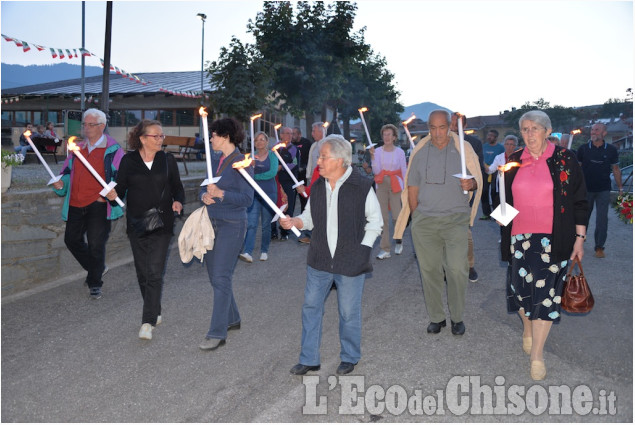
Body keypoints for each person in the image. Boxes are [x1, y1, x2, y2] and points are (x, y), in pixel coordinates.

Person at [280, 134, 382, 376]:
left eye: (323, 157)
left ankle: (349, 356)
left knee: (348, 312)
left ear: (340, 160)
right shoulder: (317, 186)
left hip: (350, 261)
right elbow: (309, 218)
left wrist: (363, 250)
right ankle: (309, 359)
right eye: (319, 157)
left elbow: (375, 223)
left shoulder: (362, 186)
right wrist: (295, 221)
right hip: (320, 259)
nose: (319, 162)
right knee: (311, 308)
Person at [500, 110, 588, 381]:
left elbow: (579, 201)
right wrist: (502, 230)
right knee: (522, 293)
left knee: (547, 297)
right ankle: (527, 328)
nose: (529, 134)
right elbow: (502, 202)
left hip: (554, 239)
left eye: (534, 128)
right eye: (524, 129)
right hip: (520, 238)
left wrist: (580, 239)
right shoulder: (513, 161)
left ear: (547, 131)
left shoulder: (565, 160)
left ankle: (537, 355)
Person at [394, 110, 482, 336]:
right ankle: (437, 317)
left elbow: (476, 182)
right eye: (432, 128)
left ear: (450, 126)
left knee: (457, 269)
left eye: (441, 127)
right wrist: (417, 218)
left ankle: (457, 317)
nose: (437, 132)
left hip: (455, 220)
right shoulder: (420, 153)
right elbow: (412, 188)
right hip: (426, 222)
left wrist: (470, 183)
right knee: (429, 271)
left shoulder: (463, 150)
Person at [106, 120, 184, 340]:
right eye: (156, 136)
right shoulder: (129, 160)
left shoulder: (167, 160)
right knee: (143, 273)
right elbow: (120, 189)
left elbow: (177, 187)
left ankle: (147, 322)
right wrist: (113, 195)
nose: (161, 139)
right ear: (142, 138)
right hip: (137, 223)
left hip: (163, 222)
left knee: (154, 272)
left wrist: (178, 201)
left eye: (162, 136)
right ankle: (155, 309)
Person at [52, 108, 125, 300]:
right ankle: (98, 268)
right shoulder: (77, 149)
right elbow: (66, 172)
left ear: (102, 126)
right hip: (76, 201)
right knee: (71, 240)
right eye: (85, 124)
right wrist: (61, 183)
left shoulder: (113, 149)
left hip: (99, 203)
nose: (86, 128)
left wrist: (110, 193)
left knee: (95, 243)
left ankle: (95, 283)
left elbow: (121, 177)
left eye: (91, 124)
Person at [198, 117, 254, 351]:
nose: (210, 138)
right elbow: (205, 185)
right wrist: (204, 195)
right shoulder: (214, 159)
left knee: (221, 277)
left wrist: (221, 194)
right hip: (211, 223)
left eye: (213, 135)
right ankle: (232, 318)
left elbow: (247, 199)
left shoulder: (242, 162)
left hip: (232, 224)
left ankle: (217, 332)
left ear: (226, 136)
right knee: (215, 277)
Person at [576, 123, 622, 258]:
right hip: (586, 189)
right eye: (592, 130)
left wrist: (620, 188)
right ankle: (578, 242)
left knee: (602, 220)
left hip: (603, 189)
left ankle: (599, 247)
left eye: (597, 130)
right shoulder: (583, 149)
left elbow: (616, 169)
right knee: (583, 217)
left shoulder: (611, 150)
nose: (593, 132)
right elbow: (577, 170)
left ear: (604, 133)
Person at [450, 113, 485, 282]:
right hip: (442, 195)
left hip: (464, 193)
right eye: (449, 123)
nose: (452, 127)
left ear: (463, 126)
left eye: (456, 123)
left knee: (465, 233)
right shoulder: (440, 142)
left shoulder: (473, 144)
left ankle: (470, 265)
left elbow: (479, 171)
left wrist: (472, 183)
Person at [239, 131, 278, 263]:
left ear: (267, 142)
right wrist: (250, 168)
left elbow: (272, 173)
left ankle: (264, 250)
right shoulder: (250, 156)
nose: (260, 142)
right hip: (254, 194)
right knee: (251, 223)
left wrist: (254, 176)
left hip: (269, 193)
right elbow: (244, 172)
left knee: (266, 224)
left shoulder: (272, 155)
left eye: (262, 139)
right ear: (254, 143)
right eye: (257, 140)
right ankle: (248, 252)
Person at [370, 124, 407, 259]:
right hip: (381, 184)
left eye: (389, 134)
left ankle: (398, 239)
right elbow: (376, 171)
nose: (386, 137)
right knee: (383, 218)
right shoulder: (377, 151)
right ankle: (385, 249)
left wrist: (406, 188)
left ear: (394, 137)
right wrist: (373, 158)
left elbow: (404, 170)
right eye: (384, 134)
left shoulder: (400, 152)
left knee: (397, 216)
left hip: (396, 183)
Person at [274, 127, 301, 241]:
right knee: (275, 205)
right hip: (275, 181)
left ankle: (285, 231)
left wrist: (282, 167)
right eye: (286, 133)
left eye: (291, 134)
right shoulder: (275, 147)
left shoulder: (294, 149)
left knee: (288, 206)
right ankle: (273, 232)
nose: (289, 136)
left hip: (288, 181)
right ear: (281, 135)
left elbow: (295, 163)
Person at [486, 135, 520, 209]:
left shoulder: (519, 158)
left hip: (515, 185)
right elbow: (491, 170)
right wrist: (483, 167)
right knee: (502, 206)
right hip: (502, 185)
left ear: (515, 146)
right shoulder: (499, 157)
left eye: (511, 144)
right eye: (507, 144)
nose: (509, 146)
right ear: (504, 145)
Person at [481, 129, 504, 220]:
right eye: (488, 135)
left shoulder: (500, 148)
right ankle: (486, 214)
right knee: (484, 192)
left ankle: (496, 214)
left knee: (494, 192)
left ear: (496, 137)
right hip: (484, 171)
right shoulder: (484, 146)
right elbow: (480, 157)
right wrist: (483, 166)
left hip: (495, 171)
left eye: (491, 136)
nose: (489, 137)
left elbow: (502, 158)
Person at [292, 126, 313, 213]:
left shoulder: (307, 143)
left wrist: (306, 168)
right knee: (291, 198)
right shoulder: (290, 144)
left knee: (303, 197)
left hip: (303, 174)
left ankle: (303, 218)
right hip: (292, 174)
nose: (291, 135)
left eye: (294, 133)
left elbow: (311, 157)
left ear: (299, 134)